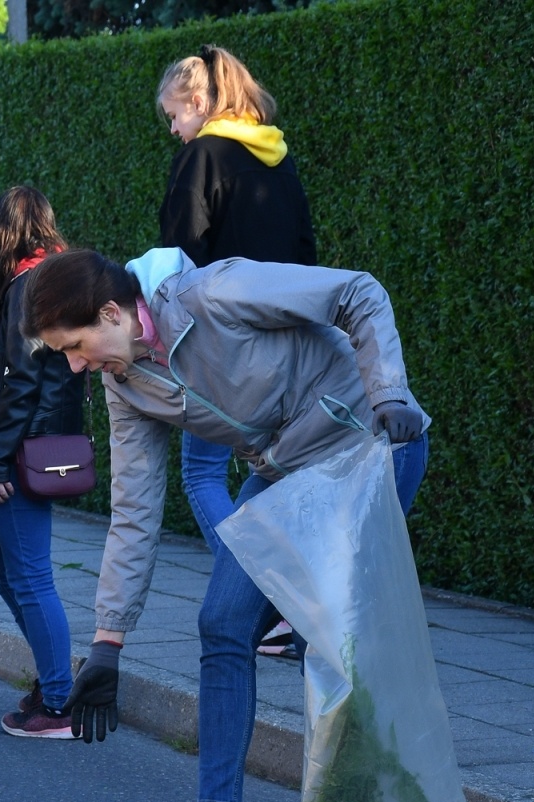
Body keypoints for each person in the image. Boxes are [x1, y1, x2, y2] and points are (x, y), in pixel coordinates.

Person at [23, 247, 429, 802]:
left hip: (368, 442)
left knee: (326, 642)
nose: (74, 364)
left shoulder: (216, 295)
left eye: (74, 345)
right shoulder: (125, 381)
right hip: (283, 471)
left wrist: (390, 392)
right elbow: (134, 511)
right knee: (223, 620)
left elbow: (358, 290)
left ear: (110, 312)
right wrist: (108, 640)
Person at [157, 45, 318, 660]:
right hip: (291, 340)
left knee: (200, 472)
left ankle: (261, 600)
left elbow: (181, 252)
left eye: (174, 116)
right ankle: (292, 615)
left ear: (199, 103)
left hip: (223, 341)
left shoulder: (201, 156)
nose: (174, 130)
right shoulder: (276, 158)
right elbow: (307, 247)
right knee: (276, 475)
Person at [0, 188, 84, 741]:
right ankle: (56, 674)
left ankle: (59, 700)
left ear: (6, 232)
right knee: (0, 567)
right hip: (48, 446)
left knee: (30, 576)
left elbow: (17, 382)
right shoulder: (59, 276)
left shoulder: (26, 284)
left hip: (22, 453)